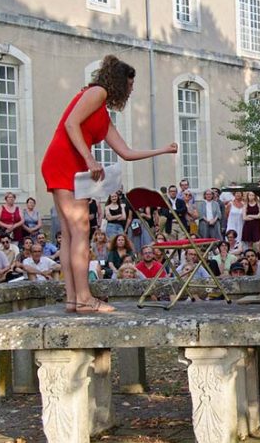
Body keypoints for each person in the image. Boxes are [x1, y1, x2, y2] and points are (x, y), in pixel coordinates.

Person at [41, 55, 176, 312]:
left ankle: (73, 299)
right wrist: (90, 158)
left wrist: (163, 151)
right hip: (64, 162)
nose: (131, 90)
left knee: (71, 233)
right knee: (81, 228)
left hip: (67, 164)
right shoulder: (97, 92)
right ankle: (84, 298)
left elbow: (126, 152)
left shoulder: (102, 115)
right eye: (130, 84)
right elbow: (71, 124)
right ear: (118, 82)